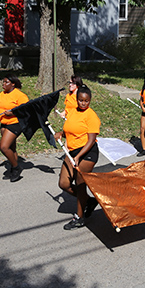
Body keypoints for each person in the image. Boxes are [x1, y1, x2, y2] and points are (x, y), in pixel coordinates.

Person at [55, 85, 101, 230]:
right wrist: (60, 133)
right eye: (80, 100)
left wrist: (79, 156)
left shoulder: (91, 116)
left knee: (80, 185)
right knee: (63, 183)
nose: (83, 103)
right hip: (72, 151)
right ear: (77, 100)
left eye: (86, 101)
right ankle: (89, 201)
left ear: (90, 101)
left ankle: (79, 217)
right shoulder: (73, 112)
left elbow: (91, 140)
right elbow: (70, 128)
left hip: (87, 152)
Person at [0, 75, 29, 182]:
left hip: (15, 123)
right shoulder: (2, 94)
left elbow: (25, 110)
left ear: (13, 84)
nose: (3, 84)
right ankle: (12, 167)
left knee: (4, 147)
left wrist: (12, 113)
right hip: (4, 123)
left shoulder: (20, 95)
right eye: (3, 82)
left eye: (6, 82)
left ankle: (17, 168)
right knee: (11, 148)